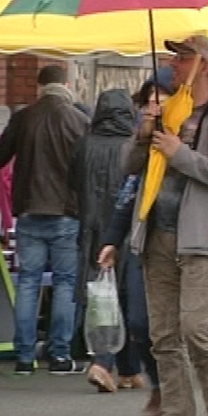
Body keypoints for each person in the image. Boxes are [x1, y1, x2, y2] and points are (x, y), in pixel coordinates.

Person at [124, 35, 208, 416]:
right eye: (174, 56)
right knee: (163, 337)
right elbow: (128, 167)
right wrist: (144, 133)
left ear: (204, 66)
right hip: (158, 233)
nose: (173, 64)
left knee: (196, 328)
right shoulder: (167, 109)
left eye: (182, 58)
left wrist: (179, 153)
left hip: (204, 238)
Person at [0, 64, 89, 375]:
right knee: (64, 284)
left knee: (29, 284)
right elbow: (87, 169)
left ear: (39, 86)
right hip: (66, 212)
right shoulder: (79, 120)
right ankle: (59, 355)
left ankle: (23, 357)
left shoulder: (23, 117)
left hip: (30, 212)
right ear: (67, 84)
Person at [95, 69, 176, 416]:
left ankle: (177, 400)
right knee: (141, 323)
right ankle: (158, 385)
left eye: (161, 97)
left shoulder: (191, 136)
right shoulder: (140, 142)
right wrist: (112, 240)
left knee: (179, 329)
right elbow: (126, 195)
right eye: (148, 99)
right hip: (144, 241)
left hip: (184, 243)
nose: (153, 105)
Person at [69, 88, 137, 393]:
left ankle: (127, 368)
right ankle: (104, 363)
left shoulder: (84, 145)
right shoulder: (131, 146)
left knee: (102, 295)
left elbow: (72, 182)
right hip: (123, 230)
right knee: (122, 297)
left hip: (90, 226)